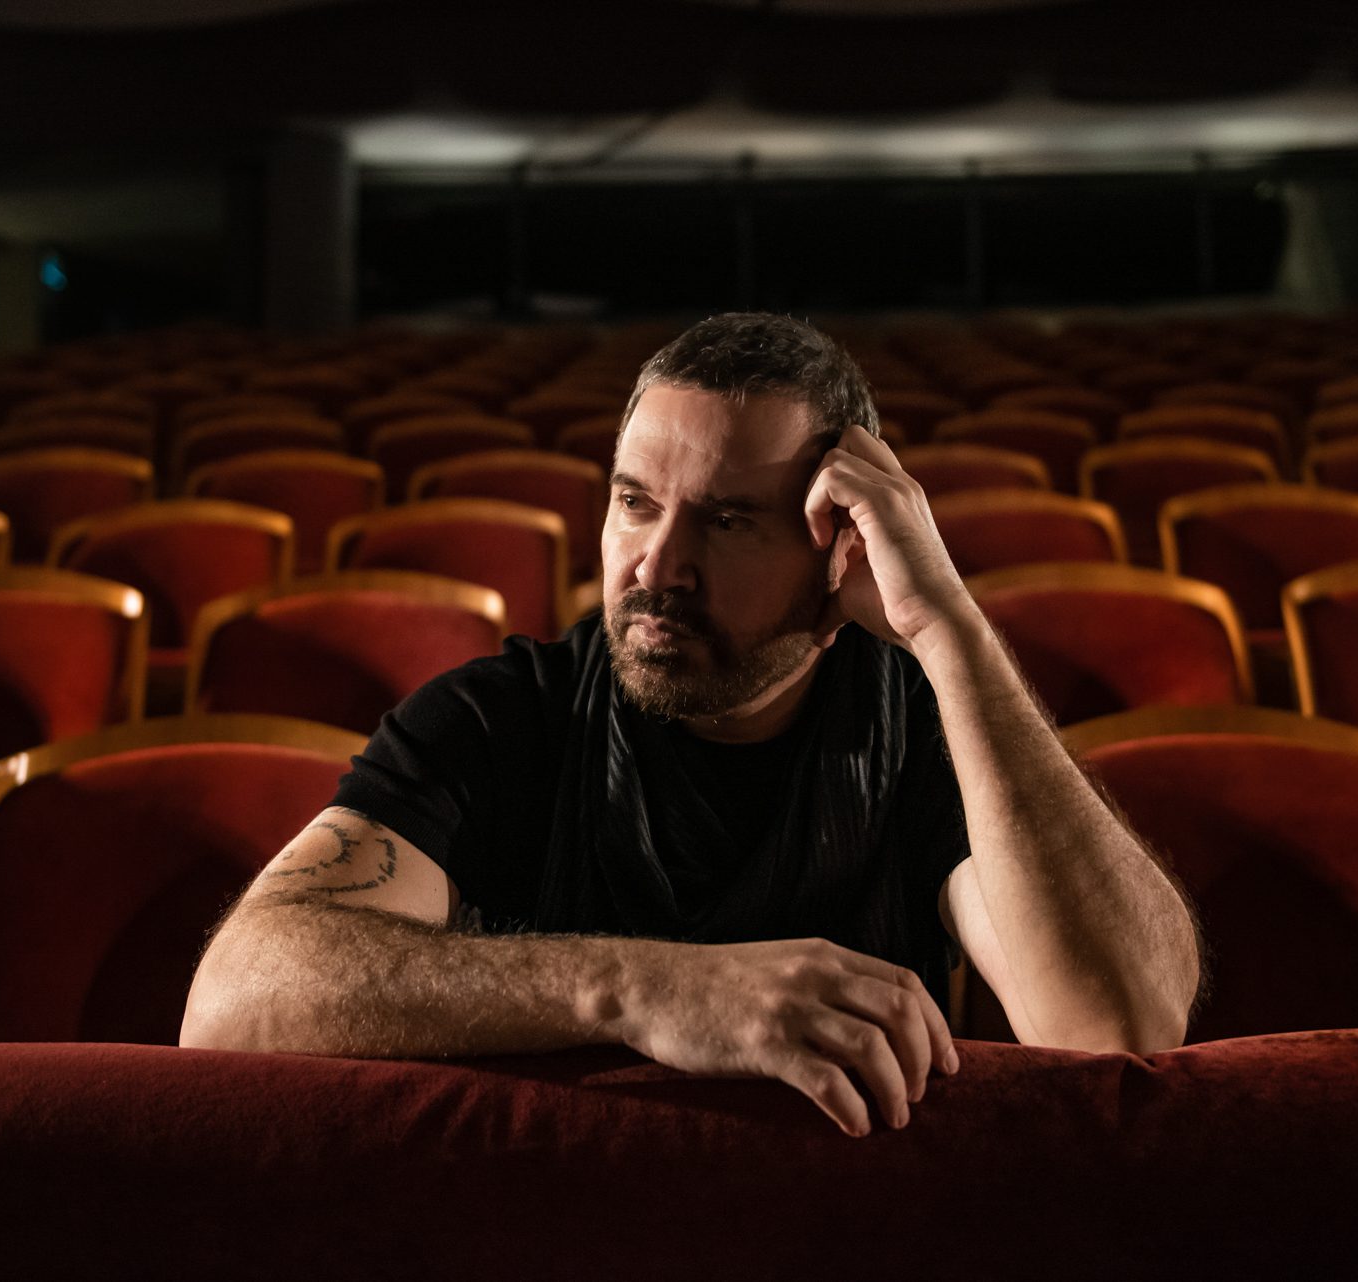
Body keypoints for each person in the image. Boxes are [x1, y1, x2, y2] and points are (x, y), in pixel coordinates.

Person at [182, 312, 1202, 1137]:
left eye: (727, 521)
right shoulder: (498, 717)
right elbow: (232, 1002)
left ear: (841, 550)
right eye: (635, 503)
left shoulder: (925, 735)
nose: (658, 566)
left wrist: (946, 626)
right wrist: (641, 988)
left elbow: (1116, 1025)